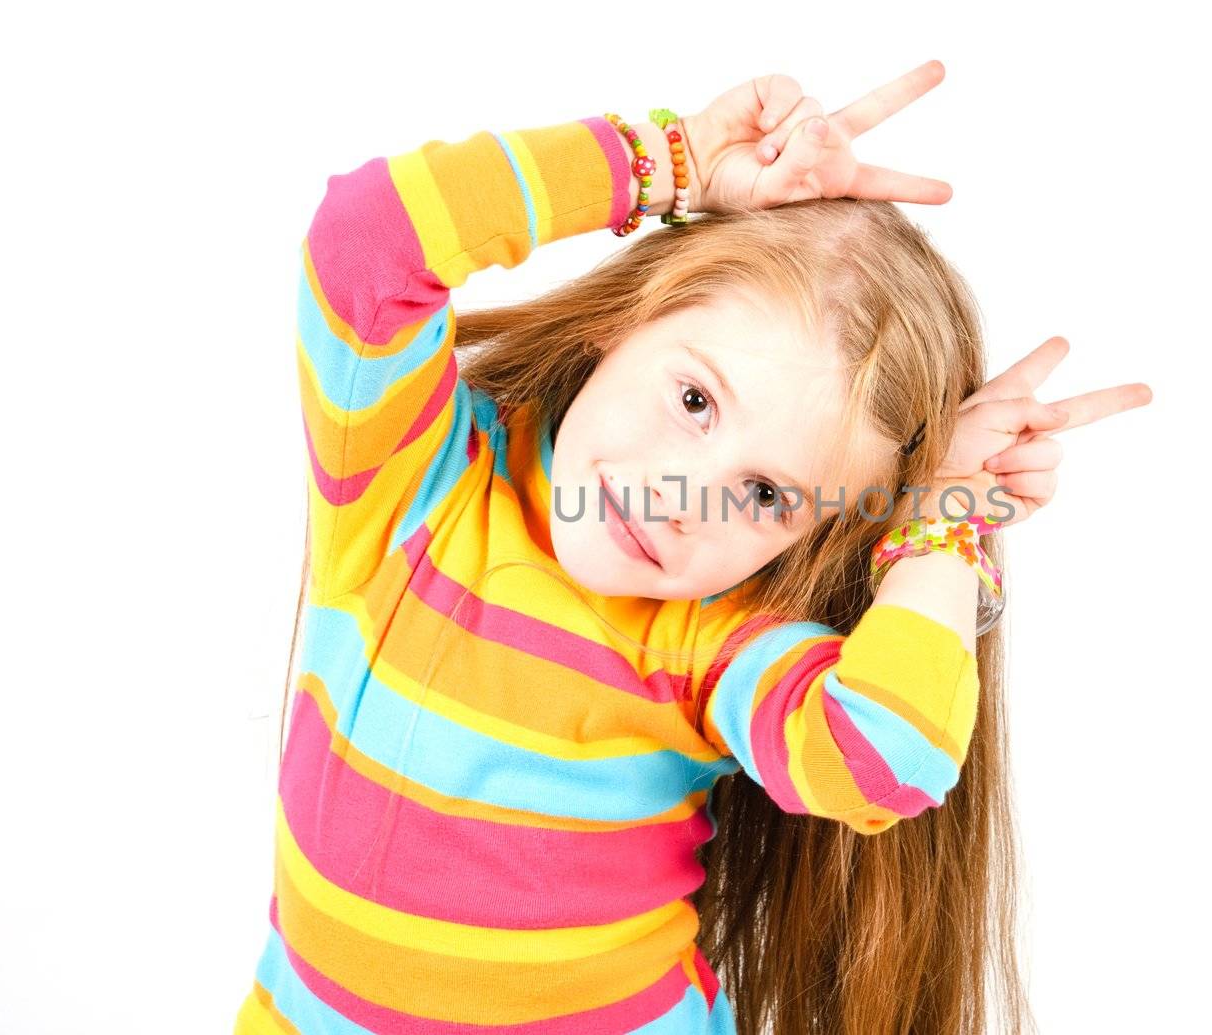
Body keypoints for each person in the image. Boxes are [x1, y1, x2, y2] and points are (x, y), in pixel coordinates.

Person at [233, 59, 1152, 1035]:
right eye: (694, 400)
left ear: (815, 534)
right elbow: (369, 237)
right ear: (623, 323)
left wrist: (947, 519)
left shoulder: (708, 653)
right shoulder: (411, 487)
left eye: (764, 492)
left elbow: (888, 754)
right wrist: (668, 162)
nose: (681, 500)